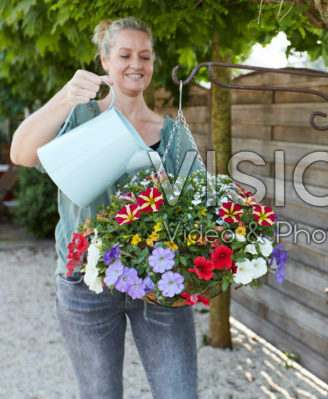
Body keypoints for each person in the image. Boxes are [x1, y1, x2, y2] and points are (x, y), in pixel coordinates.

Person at [10, 17, 202, 399]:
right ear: (105, 60)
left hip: (158, 281)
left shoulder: (173, 133)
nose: (136, 64)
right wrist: (65, 97)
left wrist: (172, 199)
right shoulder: (79, 117)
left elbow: (197, 206)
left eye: (145, 56)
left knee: (178, 392)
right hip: (85, 283)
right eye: (125, 54)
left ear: (152, 65)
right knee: (99, 393)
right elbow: (21, 152)